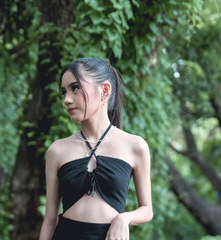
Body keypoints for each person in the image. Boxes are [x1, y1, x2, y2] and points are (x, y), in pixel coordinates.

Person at [39, 58, 153, 240]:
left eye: (75, 88)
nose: (67, 100)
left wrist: (124, 218)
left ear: (105, 90)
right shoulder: (57, 150)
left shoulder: (135, 146)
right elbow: (50, 219)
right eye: (64, 92)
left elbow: (147, 209)